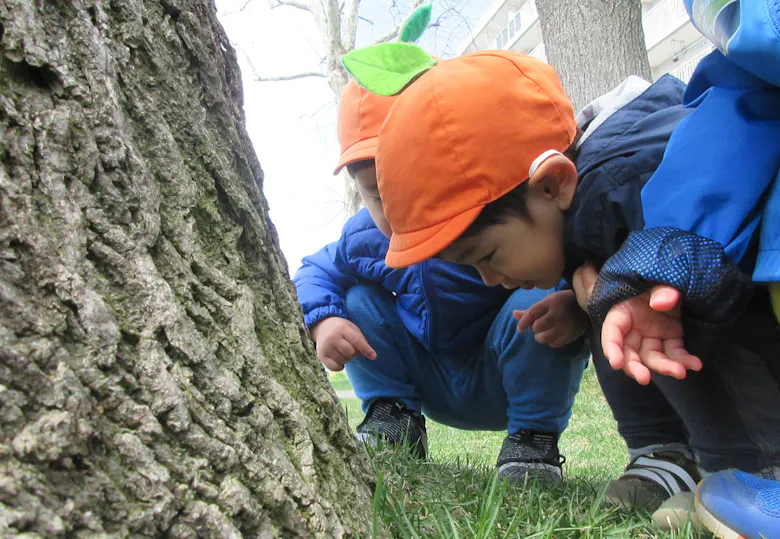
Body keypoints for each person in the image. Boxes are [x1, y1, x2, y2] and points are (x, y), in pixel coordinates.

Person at [351, 49, 780, 521]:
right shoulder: (575, 220)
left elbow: (712, 213)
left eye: (488, 257)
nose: (491, 280)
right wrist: (588, 304)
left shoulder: (613, 187)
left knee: (654, 298)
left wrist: (637, 274)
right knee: (602, 297)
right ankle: (669, 457)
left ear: (553, 185)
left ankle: (754, 471)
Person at [292, 79, 589, 484]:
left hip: (502, 370)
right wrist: (324, 320)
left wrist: (576, 304)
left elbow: (570, 254)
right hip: (427, 375)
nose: (400, 208)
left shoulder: (493, 214)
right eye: (379, 195)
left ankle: (532, 440)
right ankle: (392, 420)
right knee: (356, 296)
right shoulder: (364, 237)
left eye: (413, 183)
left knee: (540, 289)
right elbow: (315, 271)